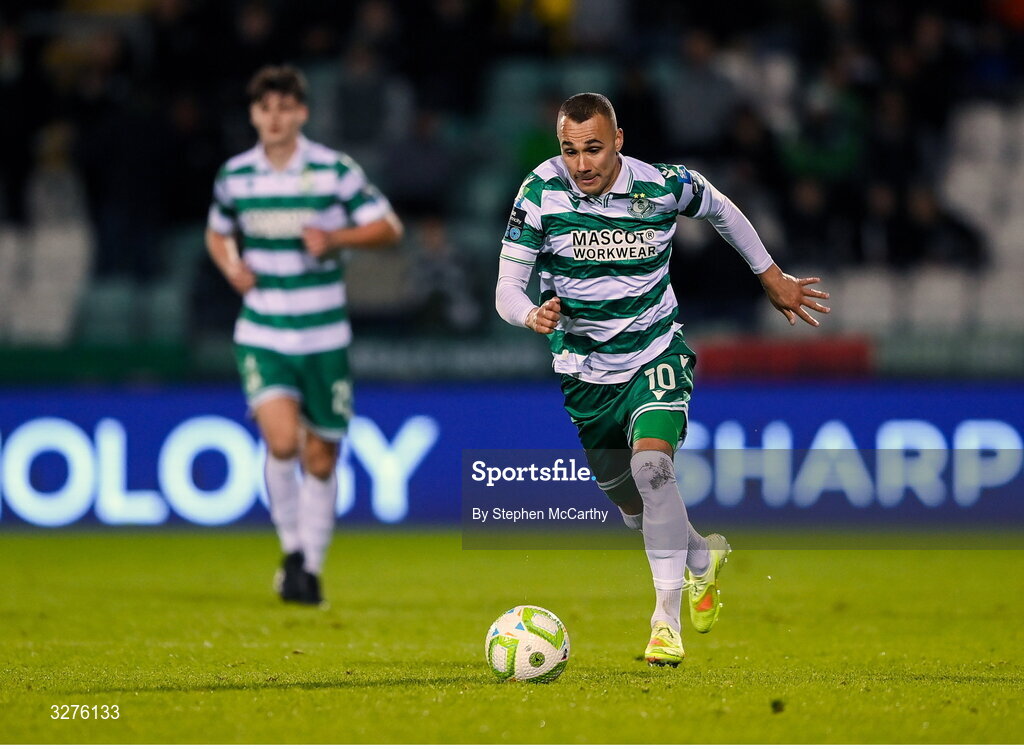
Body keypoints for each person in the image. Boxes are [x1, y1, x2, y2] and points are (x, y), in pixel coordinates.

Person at [495, 93, 828, 666]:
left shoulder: (662, 187)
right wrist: (528, 313)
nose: (581, 164)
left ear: (618, 141)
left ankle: (664, 622)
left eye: (593, 149)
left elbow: (721, 207)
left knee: (653, 470)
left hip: (655, 351)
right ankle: (701, 556)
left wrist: (770, 275)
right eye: (570, 151)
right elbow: (506, 286)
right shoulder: (538, 193)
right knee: (632, 508)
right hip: (584, 371)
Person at [206, 65, 403, 605]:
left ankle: (310, 568)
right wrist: (230, 268)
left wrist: (336, 237)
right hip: (263, 330)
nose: (274, 118)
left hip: (324, 335)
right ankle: (293, 551)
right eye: (265, 108)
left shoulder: (333, 170)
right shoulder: (236, 176)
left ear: (302, 113)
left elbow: (389, 227)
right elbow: (218, 232)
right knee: (282, 441)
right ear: (254, 115)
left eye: (284, 107)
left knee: (321, 458)